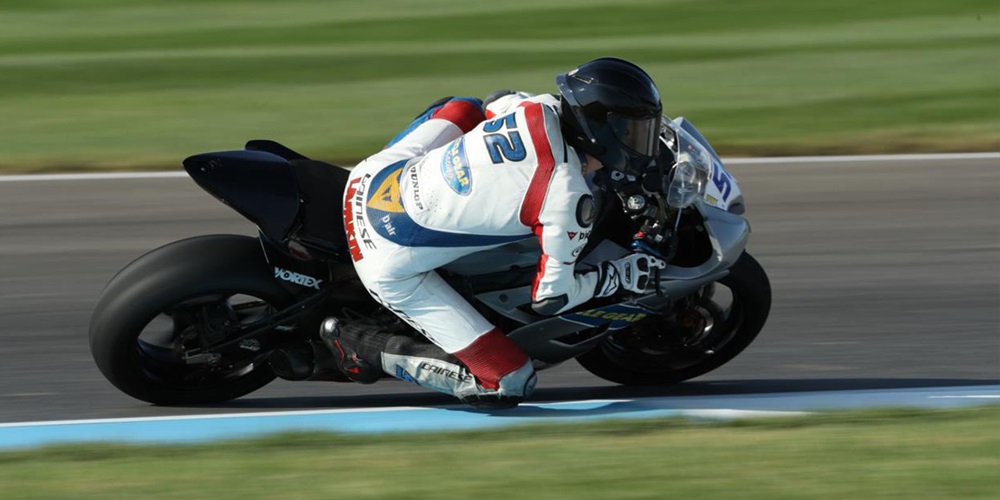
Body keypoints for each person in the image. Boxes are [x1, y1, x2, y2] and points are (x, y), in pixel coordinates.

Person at [326, 57, 667, 408]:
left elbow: (495, 99)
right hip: (385, 256)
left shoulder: (541, 105)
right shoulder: (565, 195)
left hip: (371, 177)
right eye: (632, 130)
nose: (640, 141)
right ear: (599, 129)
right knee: (509, 382)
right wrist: (616, 276)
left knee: (464, 107)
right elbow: (552, 298)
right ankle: (358, 343)